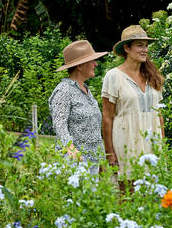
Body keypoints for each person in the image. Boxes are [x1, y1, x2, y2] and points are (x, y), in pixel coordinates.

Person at [102, 25, 164, 181]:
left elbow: (159, 114)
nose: (145, 50)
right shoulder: (114, 76)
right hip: (126, 141)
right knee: (127, 194)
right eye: (139, 45)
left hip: (152, 141)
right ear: (127, 48)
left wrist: (163, 145)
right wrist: (109, 153)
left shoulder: (153, 77)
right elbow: (107, 117)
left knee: (153, 191)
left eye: (146, 46)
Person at [49, 40, 108, 172]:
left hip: (92, 160)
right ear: (80, 66)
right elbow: (59, 124)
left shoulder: (86, 90)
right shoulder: (64, 90)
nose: (96, 64)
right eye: (92, 61)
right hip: (75, 162)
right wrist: (71, 149)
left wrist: (101, 156)